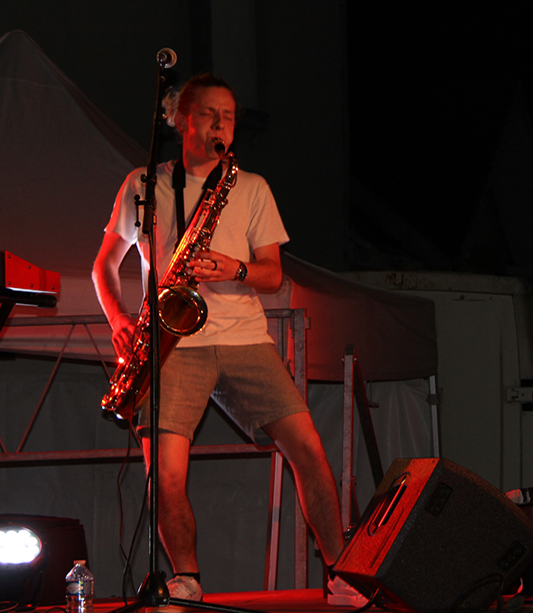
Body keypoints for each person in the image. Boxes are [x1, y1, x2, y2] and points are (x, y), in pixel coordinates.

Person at [92, 73, 365, 607]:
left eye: (229, 117)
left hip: (245, 340)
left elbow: (273, 274)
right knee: (165, 474)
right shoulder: (142, 184)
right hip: (170, 344)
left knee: (309, 450)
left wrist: (233, 268)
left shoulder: (251, 187)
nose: (221, 126)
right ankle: (186, 579)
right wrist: (118, 319)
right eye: (209, 115)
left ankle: (339, 573)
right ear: (180, 121)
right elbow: (104, 265)